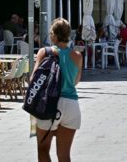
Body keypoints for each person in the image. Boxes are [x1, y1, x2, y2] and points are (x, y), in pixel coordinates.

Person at [34, 18, 82, 161]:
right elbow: (75, 81)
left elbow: (34, 79)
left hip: (48, 104)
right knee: (64, 155)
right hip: (71, 106)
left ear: (53, 35)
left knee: (43, 150)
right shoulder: (77, 56)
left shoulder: (45, 52)